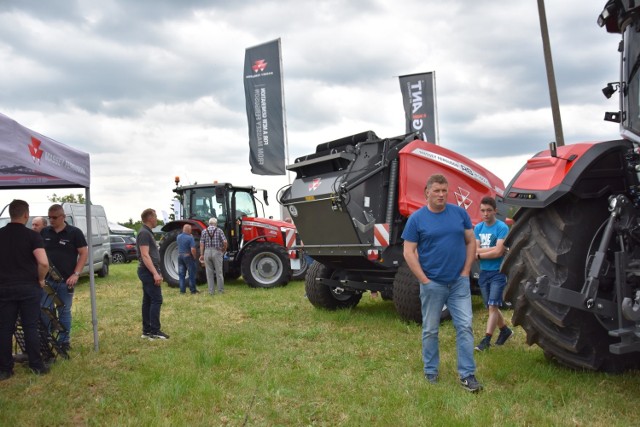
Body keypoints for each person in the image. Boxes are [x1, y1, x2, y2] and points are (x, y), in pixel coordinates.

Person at [402, 174, 483, 392]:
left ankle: (467, 374)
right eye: (436, 190)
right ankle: (431, 372)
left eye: (444, 190)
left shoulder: (459, 214)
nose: (441, 194)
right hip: (432, 284)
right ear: (427, 192)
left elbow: (470, 241)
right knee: (430, 329)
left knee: (465, 326)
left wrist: (466, 271)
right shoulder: (416, 219)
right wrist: (424, 280)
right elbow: (408, 252)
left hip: (458, 282)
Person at [0, 200, 50, 379]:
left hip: (4, 287)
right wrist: (41, 278)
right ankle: (36, 365)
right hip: (28, 287)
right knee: (30, 326)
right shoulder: (32, 236)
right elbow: (43, 262)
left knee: (5, 329)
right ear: (26, 215)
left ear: (11, 214)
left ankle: (5, 369)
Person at [41, 204, 88, 352]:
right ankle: (46, 339)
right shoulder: (44, 232)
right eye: (49, 217)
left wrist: (76, 274)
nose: (51, 220)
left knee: (64, 311)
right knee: (45, 309)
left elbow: (84, 253)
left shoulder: (74, 233)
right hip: (47, 280)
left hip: (66, 280)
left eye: (54, 217)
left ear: (63, 217)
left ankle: (64, 341)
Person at [474, 196, 513, 351]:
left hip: (498, 272)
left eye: (489, 210)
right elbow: (491, 250)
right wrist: (493, 250)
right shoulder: (478, 228)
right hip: (484, 272)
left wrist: (479, 254)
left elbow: (498, 252)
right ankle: (505, 331)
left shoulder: (502, 227)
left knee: (492, 306)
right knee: (492, 307)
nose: (486, 214)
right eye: (483, 210)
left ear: (495, 211)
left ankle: (486, 340)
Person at [137, 208, 169, 340]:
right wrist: (155, 273)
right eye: (155, 217)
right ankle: (154, 331)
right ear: (150, 218)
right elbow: (145, 255)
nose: (157, 220)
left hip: (148, 270)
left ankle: (147, 330)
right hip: (148, 271)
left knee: (148, 300)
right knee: (156, 299)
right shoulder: (144, 233)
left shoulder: (146, 232)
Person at [199, 217, 227, 295]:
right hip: (217, 251)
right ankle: (220, 291)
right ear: (216, 223)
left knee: (209, 273)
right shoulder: (219, 230)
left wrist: (201, 254)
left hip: (207, 252)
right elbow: (225, 242)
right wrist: (223, 250)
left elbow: (201, 244)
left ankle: (211, 291)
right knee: (219, 272)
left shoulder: (204, 231)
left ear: (209, 223)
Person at [176, 224, 198, 294]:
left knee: (181, 275)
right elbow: (193, 249)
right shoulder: (190, 238)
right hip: (188, 256)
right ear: (189, 230)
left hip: (180, 256)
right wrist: (194, 257)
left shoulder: (178, 237)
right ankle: (193, 290)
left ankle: (182, 291)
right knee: (191, 274)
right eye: (191, 229)